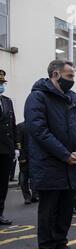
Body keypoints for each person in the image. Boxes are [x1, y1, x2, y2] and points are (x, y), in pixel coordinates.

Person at [24, 60, 76, 249]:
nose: (73, 80)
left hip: (70, 164)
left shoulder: (73, 99)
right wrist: (64, 154)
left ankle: (61, 244)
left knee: (66, 208)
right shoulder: (37, 97)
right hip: (49, 163)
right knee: (49, 210)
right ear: (56, 75)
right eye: (70, 76)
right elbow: (39, 131)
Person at [0, 69, 19, 225]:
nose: (1, 85)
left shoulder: (7, 101)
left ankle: (0, 213)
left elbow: (13, 127)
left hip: (5, 149)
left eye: (2, 83)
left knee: (2, 184)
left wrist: (16, 147)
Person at [16, 122, 39, 205]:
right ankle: (27, 197)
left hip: (35, 157)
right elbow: (18, 142)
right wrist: (21, 156)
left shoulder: (36, 125)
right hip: (25, 157)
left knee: (35, 178)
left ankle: (35, 195)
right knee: (23, 179)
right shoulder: (20, 126)